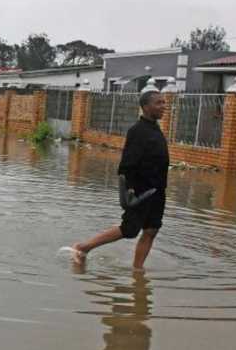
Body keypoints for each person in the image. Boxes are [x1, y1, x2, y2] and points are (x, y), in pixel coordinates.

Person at [71, 90, 169, 269]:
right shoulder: (137, 131)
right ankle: (83, 248)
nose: (164, 106)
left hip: (158, 191)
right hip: (142, 191)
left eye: (164, 102)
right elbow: (126, 165)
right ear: (146, 107)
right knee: (129, 230)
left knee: (152, 230)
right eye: (159, 103)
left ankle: (138, 271)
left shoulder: (155, 128)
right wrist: (129, 190)